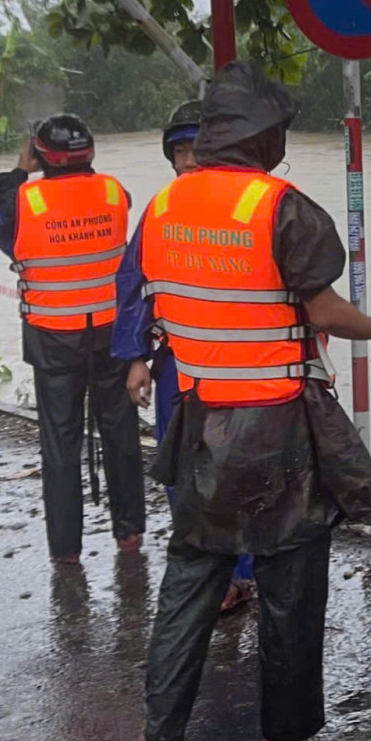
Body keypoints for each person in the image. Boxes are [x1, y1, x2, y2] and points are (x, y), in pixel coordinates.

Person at [122, 63, 371, 741]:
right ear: (260, 136)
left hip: (201, 419)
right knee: (292, 582)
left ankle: (159, 733)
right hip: (278, 429)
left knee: (190, 575)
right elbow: (322, 308)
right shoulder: (282, 207)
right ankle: (285, 728)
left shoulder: (160, 209)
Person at [0, 114, 146, 568]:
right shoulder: (115, 193)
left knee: (60, 444)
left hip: (53, 340)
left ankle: (66, 551)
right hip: (111, 335)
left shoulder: (22, 201)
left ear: (39, 155)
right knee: (121, 436)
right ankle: (129, 536)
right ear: (91, 152)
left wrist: (18, 169)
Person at [119, 100, 256, 612]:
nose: (190, 160)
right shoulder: (160, 211)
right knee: (183, 472)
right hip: (179, 366)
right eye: (180, 150)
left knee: (243, 471)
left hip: (247, 365)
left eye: (198, 147)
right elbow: (135, 286)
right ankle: (212, 573)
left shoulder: (254, 204)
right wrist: (136, 357)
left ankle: (247, 573)